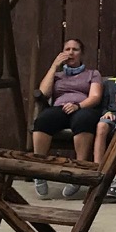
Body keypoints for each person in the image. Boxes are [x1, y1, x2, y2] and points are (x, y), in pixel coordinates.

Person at [59, 49, 116, 201]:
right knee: (101, 126)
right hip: (111, 115)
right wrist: (105, 113)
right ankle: (98, 172)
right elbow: (103, 105)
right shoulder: (110, 83)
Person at [31, 37, 103, 197]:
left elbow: (95, 96)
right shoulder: (57, 75)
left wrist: (78, 106)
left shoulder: (92, 74)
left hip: (83, 107)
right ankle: (39, 170)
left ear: (81, 54)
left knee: (83, 120)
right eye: (67, 49)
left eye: (75, 49)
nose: (71, 53)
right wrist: (53, 67)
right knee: (43, 120)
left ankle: (78, 172)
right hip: (59, 108)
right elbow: (44, 93)